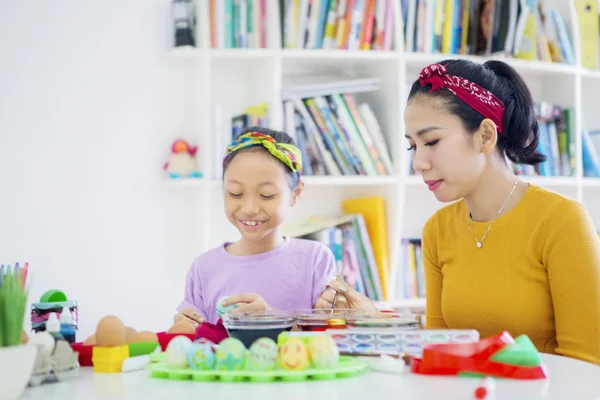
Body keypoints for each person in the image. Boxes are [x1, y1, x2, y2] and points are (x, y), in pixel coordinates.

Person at [403, 60, 600, 365]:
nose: (418, 162)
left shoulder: (561, 221)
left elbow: (587, 365)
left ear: (485, 135)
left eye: (430, 141)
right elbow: (439, 354)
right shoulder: (437, 231)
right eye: (412, 146)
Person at [174, 127, 342, 326]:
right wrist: (183, 328)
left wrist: (272, 319)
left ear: (295, 193)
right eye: (235, 193)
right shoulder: (204, 268)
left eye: (266, 195)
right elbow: (191, 344)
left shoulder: (315, 260)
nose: (250, 208)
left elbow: (326, 341)